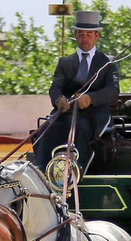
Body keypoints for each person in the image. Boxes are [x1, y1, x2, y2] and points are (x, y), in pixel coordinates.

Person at [34, 10, 118, 171]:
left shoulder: (108, 63)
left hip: (95, 114)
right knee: (46, 128)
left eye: (89, 34)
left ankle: (75, 171)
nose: (84, 38)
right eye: (80, 34)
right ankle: (44, 171)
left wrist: (90, 98)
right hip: (66, 112)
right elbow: (56, 87)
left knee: (78, 129)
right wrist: (58, 100)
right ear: (75, 35)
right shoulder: (65, 62)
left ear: (96, 36)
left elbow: (113, 90)